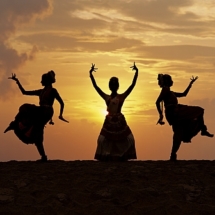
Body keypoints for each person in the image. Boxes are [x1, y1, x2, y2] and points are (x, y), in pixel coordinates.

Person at [4, 71, 69, 162]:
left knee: (25, 107)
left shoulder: (53, 91)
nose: (41, 82)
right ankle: (43, 157)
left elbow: (62, 102)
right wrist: (17, 81)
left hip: (46, 111)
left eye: (42, 80)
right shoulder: (41, 91)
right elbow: (24, 92)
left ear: (47, 81)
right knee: (37, 132)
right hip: (40, 111)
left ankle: (15, 123)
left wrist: (60, 115)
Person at [156, 74, 213, 161]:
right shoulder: (165, 89)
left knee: (178, 133)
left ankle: (173, 155)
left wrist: (190, 84)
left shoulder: (170, 92)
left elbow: (184, 94)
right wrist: (160, 115)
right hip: (175, 112)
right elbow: (157, 102)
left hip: (176, 112)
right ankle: (203, 130)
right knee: (200, 110)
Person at [89, 63, 138, 161]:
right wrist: (91, 74)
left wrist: (137, 72)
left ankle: (121, 155)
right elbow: (96, 87)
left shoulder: (121, 97)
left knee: (128, 139)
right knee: (103, 139)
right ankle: (108, 155)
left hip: (119, 120)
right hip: (109, 121)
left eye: (115, 84)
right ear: (109, 86)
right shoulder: (107, 97)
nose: (113, 86)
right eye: (112, 84)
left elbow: (132, 85)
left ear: (117, 86)